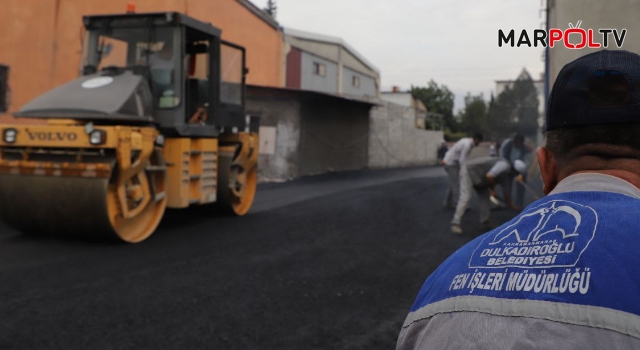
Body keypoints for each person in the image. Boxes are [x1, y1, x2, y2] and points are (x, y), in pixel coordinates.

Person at [397, 49, 640, 349]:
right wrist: (502, 198)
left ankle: (484, 218)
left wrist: (512, 211)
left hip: (488, 184)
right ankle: (459, 216)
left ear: (545, 164)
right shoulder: (501, 164)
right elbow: (489, 183)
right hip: (470, 176)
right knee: (466, 199)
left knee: (487, 206)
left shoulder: (441, 281)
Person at [450, 157, 526, 234]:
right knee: (465, 197)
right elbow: (489, 176)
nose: (515, 175)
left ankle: (485, 222)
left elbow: (506, 190)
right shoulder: (504, 165)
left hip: (480, 178)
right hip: (469, 171)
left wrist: (510, 203)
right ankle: (455, 223)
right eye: (516, 173)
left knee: (485, 199)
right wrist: (492, 190)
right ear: (514, 170)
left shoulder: (506, 175)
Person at [441, 132, 483, 209]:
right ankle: (458, 205)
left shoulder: (466, 141)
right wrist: (464, 172)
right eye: (479, 141)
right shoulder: (467, 145)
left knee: (453, 184)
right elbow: (462, 160)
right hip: (451, 164)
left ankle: (447, 202)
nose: (479, 144)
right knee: (457, 185)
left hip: (451, 163)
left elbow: (453, 150)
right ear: (475, 139)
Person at [500, 133, 532, 207]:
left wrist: (521, 171)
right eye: (517, 143)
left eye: (519, 143)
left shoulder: (524, 149)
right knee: (507, 185)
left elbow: (526, 162)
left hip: (519, 170)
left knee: (521, 185)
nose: (518, 145)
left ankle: (519, 203)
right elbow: (503, 156)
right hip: (509, 167)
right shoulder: (508, 145)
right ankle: (507, 202)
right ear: (514, 141)